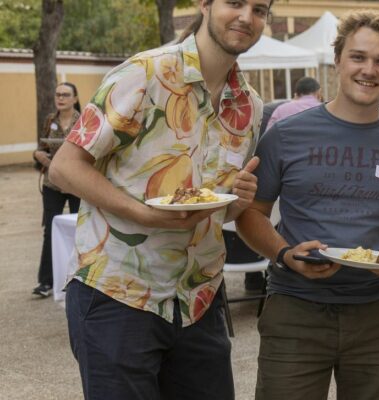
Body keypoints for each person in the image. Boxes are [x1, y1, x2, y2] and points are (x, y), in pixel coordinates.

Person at [47, 1, 269, 398]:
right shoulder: (145, 73)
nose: (246, 17)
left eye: (259, 9)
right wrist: (142, 214)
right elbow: (64, 167)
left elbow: (212, 208)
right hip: (119, 293)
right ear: (205, 4)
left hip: (197, 299)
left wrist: (236, 203)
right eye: (235, 2)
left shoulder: (249, 105)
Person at [235, 10, 379, 400]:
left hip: (378, 314)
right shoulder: (286, 135)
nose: (369, 70)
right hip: (295, 309)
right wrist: (284, 253)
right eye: (358, 57)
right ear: (338, 60)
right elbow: (251, 213)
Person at [32, 82, 82, 297]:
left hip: (76, 182)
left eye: (65, 94)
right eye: (58, 94)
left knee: (80, 228)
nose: (60, 98)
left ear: (75, 98)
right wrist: (38, 155)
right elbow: (42, 147)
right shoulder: (49, 120)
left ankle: (79, 279)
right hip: (52, 183)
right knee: (50, 229)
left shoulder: (83, 120)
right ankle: (46, 282)